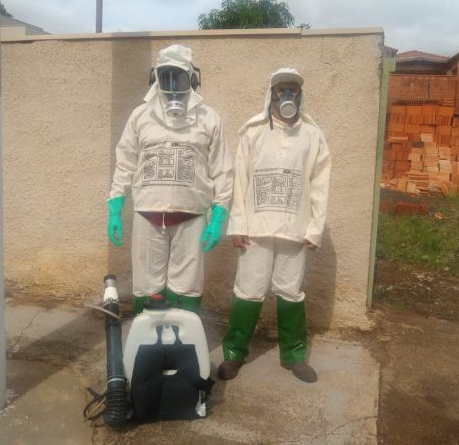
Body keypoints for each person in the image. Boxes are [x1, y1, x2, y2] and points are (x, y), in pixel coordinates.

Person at [217, 68, 331, 383]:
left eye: (293, 89)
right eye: (282, 89)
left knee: (291, 291)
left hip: (295, 228)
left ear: (300, 94)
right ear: (272, 93)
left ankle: (294, 356)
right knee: (248, 290)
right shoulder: (252, 132)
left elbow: (320, 184)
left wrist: (314, 228)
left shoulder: (312, 135)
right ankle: (234, 354)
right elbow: (239, 181)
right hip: (256, 228)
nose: (288, 95)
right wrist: (237, 224)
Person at [107, 44, 232, 315]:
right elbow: (125, 161)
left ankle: (183, 347)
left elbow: (222, 169)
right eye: (167, 77)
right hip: (147, 214)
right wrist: (115, 206)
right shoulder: (141, 116)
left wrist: (219, 215)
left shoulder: (209, 119)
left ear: (193, 79)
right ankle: (150, 347)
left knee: (187, 286)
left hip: (191, 215)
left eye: (179, 77)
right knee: (146, 284)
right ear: (156, 79)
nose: (173, 85)